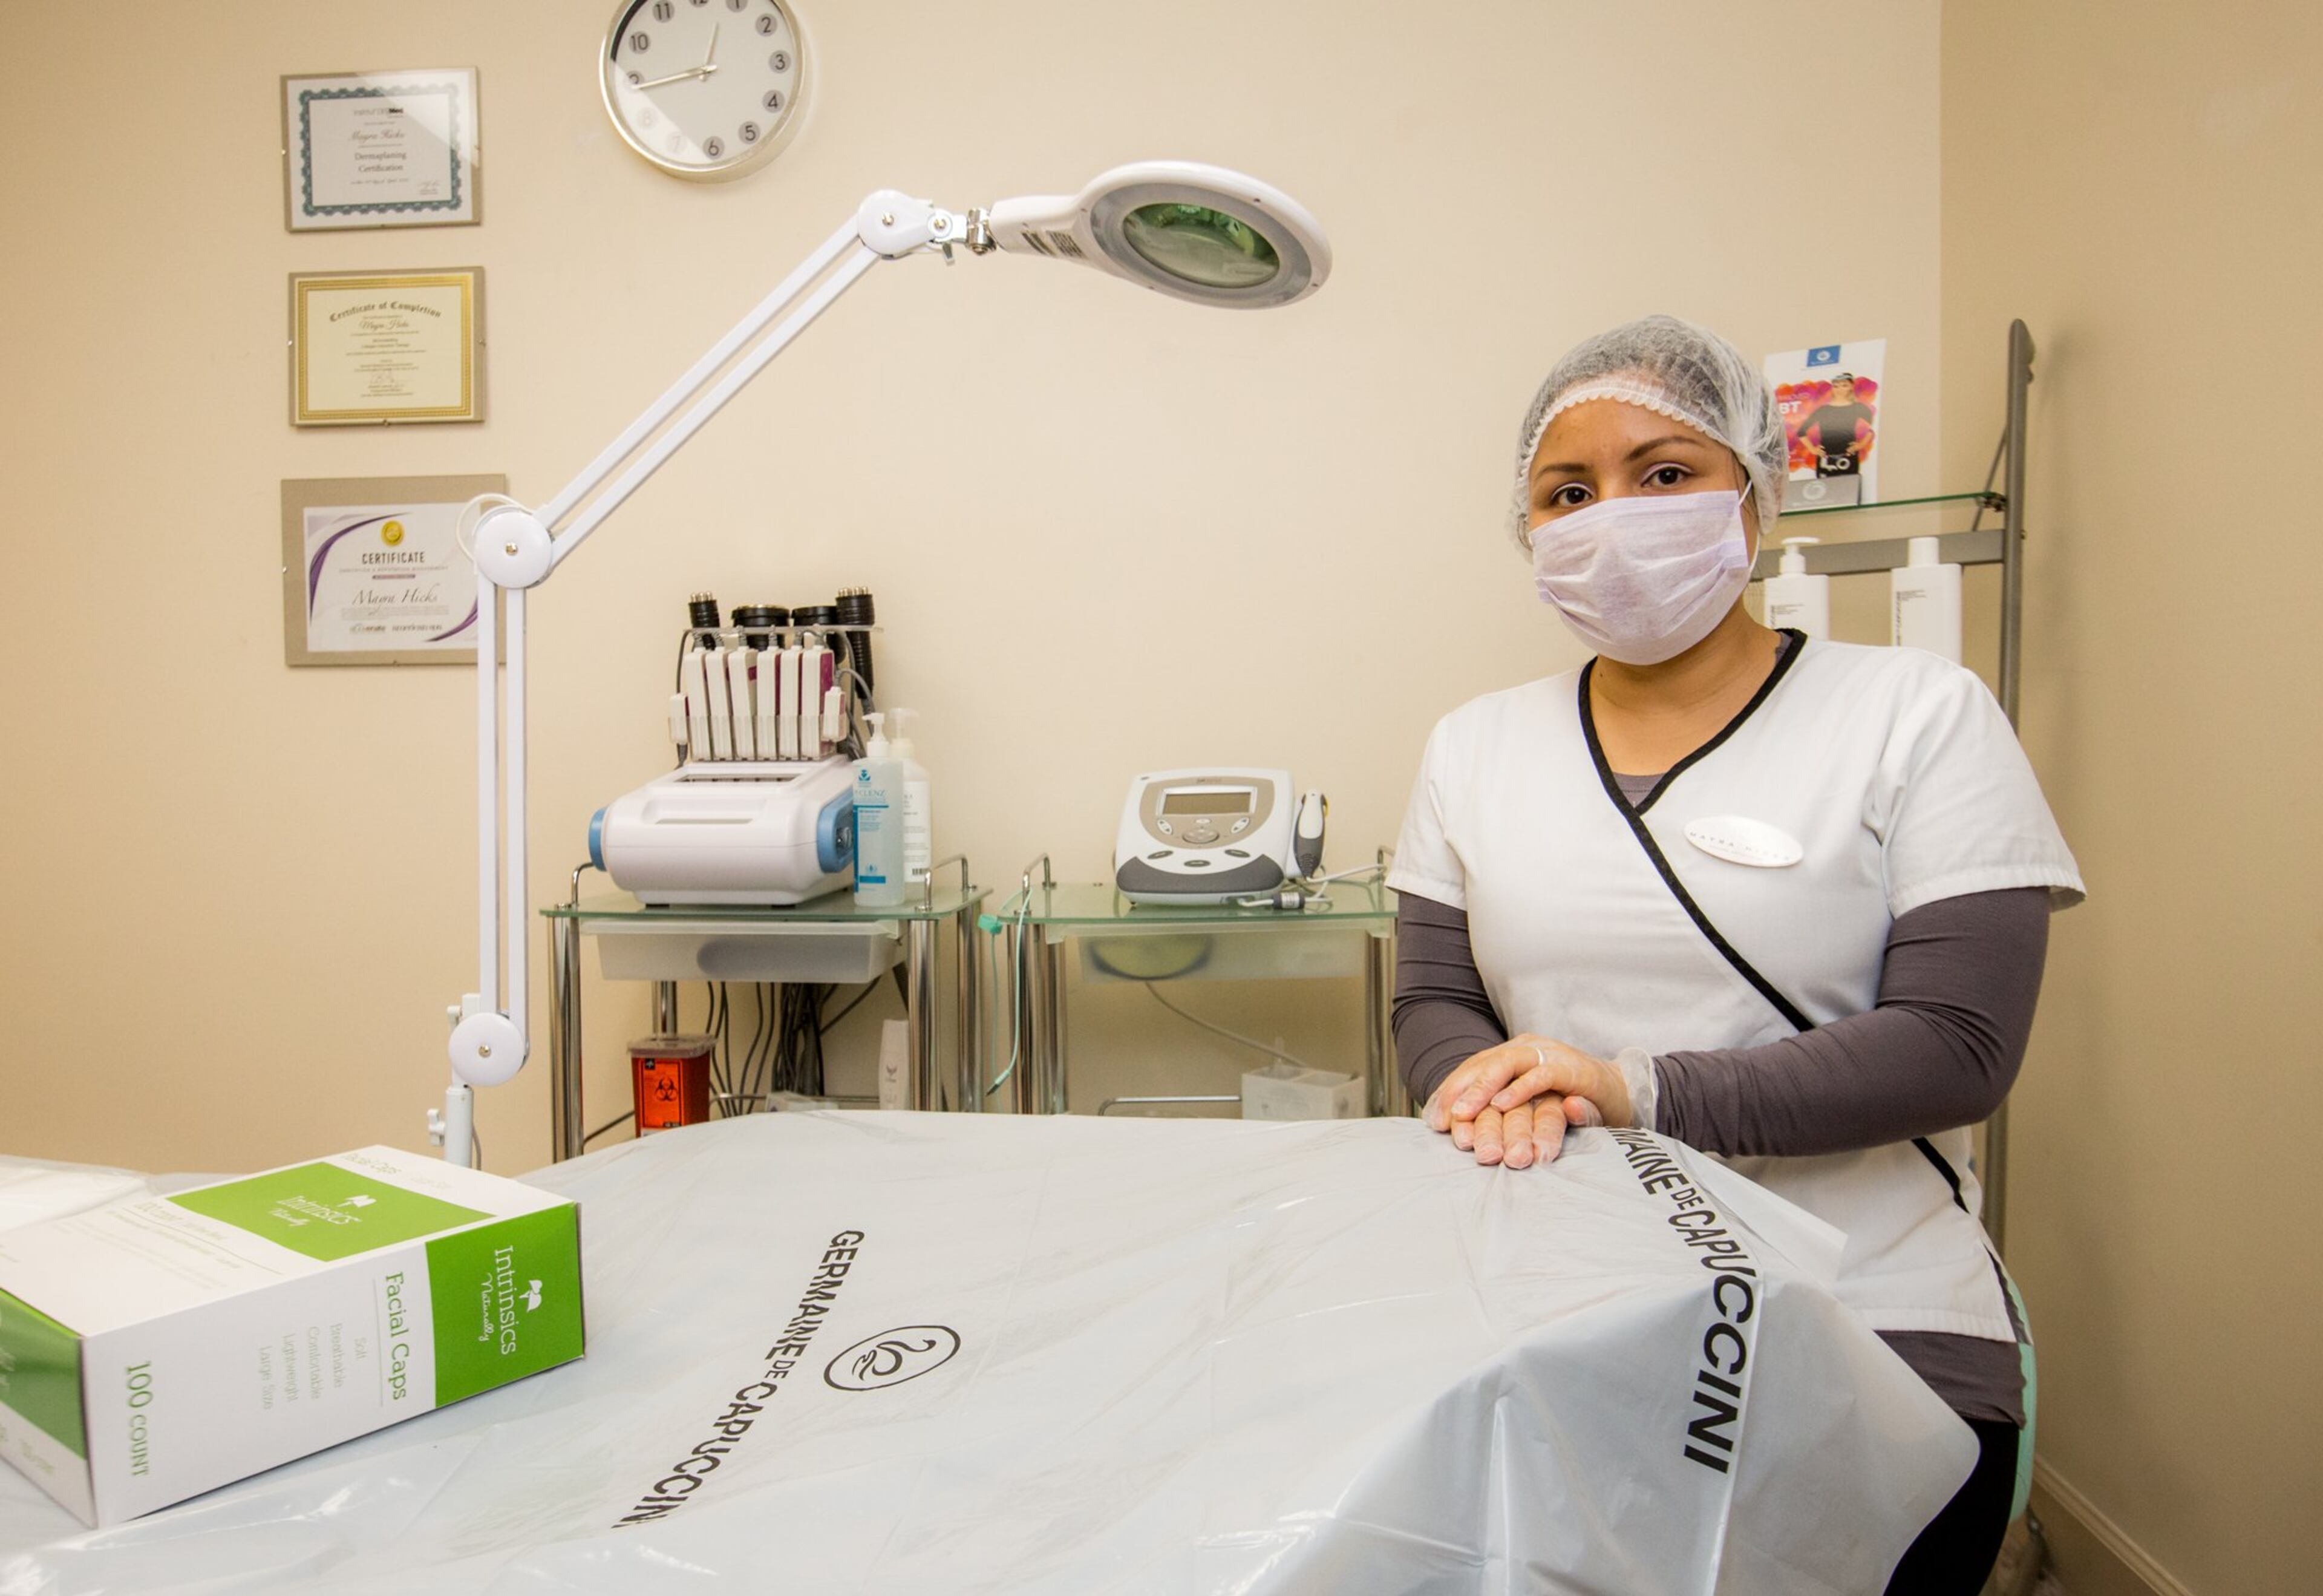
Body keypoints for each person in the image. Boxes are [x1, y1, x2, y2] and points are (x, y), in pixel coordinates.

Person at [1386, 315, 2082, 1595]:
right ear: (1528, 528)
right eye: (1569, 491)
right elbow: (1434, 998)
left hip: (1868, 1297)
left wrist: (1630, 1086)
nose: (1613, 516)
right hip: (1565, 1285)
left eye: (1663, 474)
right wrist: (1489, 1092)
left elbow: (1959, 1044)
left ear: (1755, 492)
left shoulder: (1916, 713)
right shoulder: (1472, 747)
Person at [1797, 370, 1877, 476]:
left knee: (1848, 489)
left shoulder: (1859, 408)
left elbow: (1871, 430)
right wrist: (1813, 449)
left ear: (1851, 387)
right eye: (1836, 386)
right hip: (1826, 460)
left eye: (1844, 385)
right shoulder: (1823, 410)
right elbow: (1802, 432)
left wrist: (1860, 445)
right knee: (1825, 490)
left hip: (1848, 458)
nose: (1840, 389)